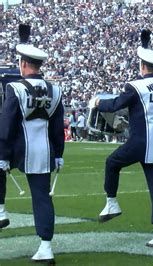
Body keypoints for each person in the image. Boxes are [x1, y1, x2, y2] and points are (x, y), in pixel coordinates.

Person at [92, 29, 153, 247]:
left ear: (141, 65)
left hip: (139, 142)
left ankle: (112, 202)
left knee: (112, 163)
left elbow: (115, 104)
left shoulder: (136, 86)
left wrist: (97, 103)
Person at [0, 24, 64, 263]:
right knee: (42, 198)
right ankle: (46, 247)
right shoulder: (55, 90)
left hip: (19, 150)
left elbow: (6, 126)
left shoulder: (14, 88)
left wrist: (3, 155)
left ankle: (1, 210)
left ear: (23, 64)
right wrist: (59, 153)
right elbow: (58, 127)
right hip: (44, 151)